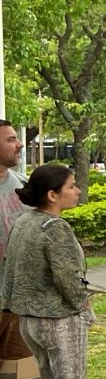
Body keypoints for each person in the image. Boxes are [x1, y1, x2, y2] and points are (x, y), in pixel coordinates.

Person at [4, 165, 89, 379]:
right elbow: (67, 278)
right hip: (58, 321)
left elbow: (10, 271)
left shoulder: (24, 222)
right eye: (71, 186)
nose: (77, 190)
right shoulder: (55, 227)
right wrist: (82, 302)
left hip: (28, 321)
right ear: (52, 195)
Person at [0, 120, 30, 361]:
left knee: (20, 369)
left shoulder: (25, 185)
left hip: (19, 301)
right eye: (11, 140)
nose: (20, 144)